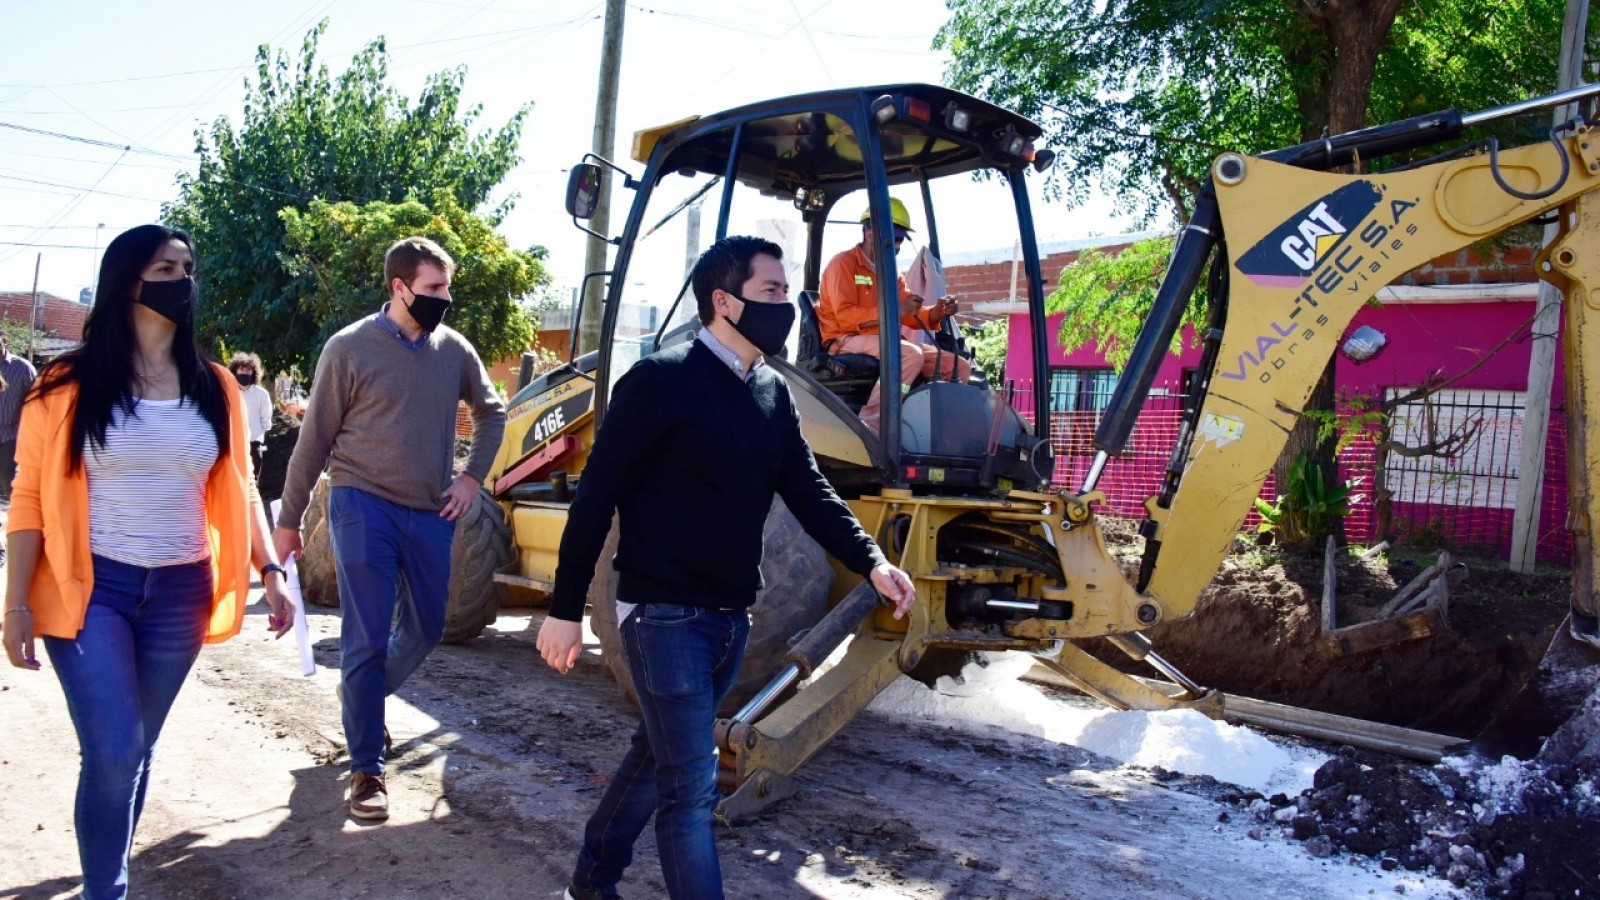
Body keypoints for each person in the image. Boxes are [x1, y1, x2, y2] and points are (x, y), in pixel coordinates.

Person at [536, 235, 917, 900]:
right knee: (691, 788)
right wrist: (566, 611)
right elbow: (595, 498)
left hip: (730, 618)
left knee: (657, 760)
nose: (786, 306)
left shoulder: (771, 392)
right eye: (771, 292)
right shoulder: (660, 380)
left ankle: (589, 882)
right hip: (661, 615)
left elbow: (809, 489)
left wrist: (874, 561)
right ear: (723, 301)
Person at [1, 224, 294, 900]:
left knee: (135, 747)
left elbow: (242, 483)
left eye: (189, 266)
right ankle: (110, 891)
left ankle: (107, 877)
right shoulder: (62, 385)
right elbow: (26, 502)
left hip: (180, 593)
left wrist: (270, 571)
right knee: (113, 750)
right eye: (166, 267)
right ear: (128, 279)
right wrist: (15, 603)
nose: (182, 279)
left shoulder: (215, 386)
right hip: (91, 588)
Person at [273, 235, 506, 822]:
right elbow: (313, 442)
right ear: (400, 288)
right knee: (366, 636)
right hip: (361, 504)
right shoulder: (348, 348)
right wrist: (289, 522)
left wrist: (471, 478)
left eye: (447, 287)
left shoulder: (454, 350)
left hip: (429, 510)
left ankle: (361, 694)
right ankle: (366, 767)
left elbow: (492, 411)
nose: (444, 298)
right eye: (434, 288)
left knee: (427, 628)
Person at [817, 197, 972, 433]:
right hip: (845, 339)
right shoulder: (843, 264)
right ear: (870, 232)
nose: (898, 246)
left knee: (957, 366)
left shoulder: (891, 273)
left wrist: (936, 312)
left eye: (901, 240)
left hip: (883, 339)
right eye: (895, 238)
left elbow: (910, 313)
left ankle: (931, 431)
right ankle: (871, 427)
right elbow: (845, 318)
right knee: (909, 355)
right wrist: (894, 311)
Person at [0, 332, 38, 497]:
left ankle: (17, 521)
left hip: (10, 437)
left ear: (4, 341)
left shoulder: (23, 367)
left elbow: (36, 400)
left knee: (11, 486)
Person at [229, 352, 274, 485]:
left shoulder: (261, 394)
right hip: (233, 443)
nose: (244, 373)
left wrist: (258, 434)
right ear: (235, 370)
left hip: (254, 442)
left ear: (253, 373)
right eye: (241, 369)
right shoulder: (229, 392)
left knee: (253, 481)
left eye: (248, 370)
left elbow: (266, 419)